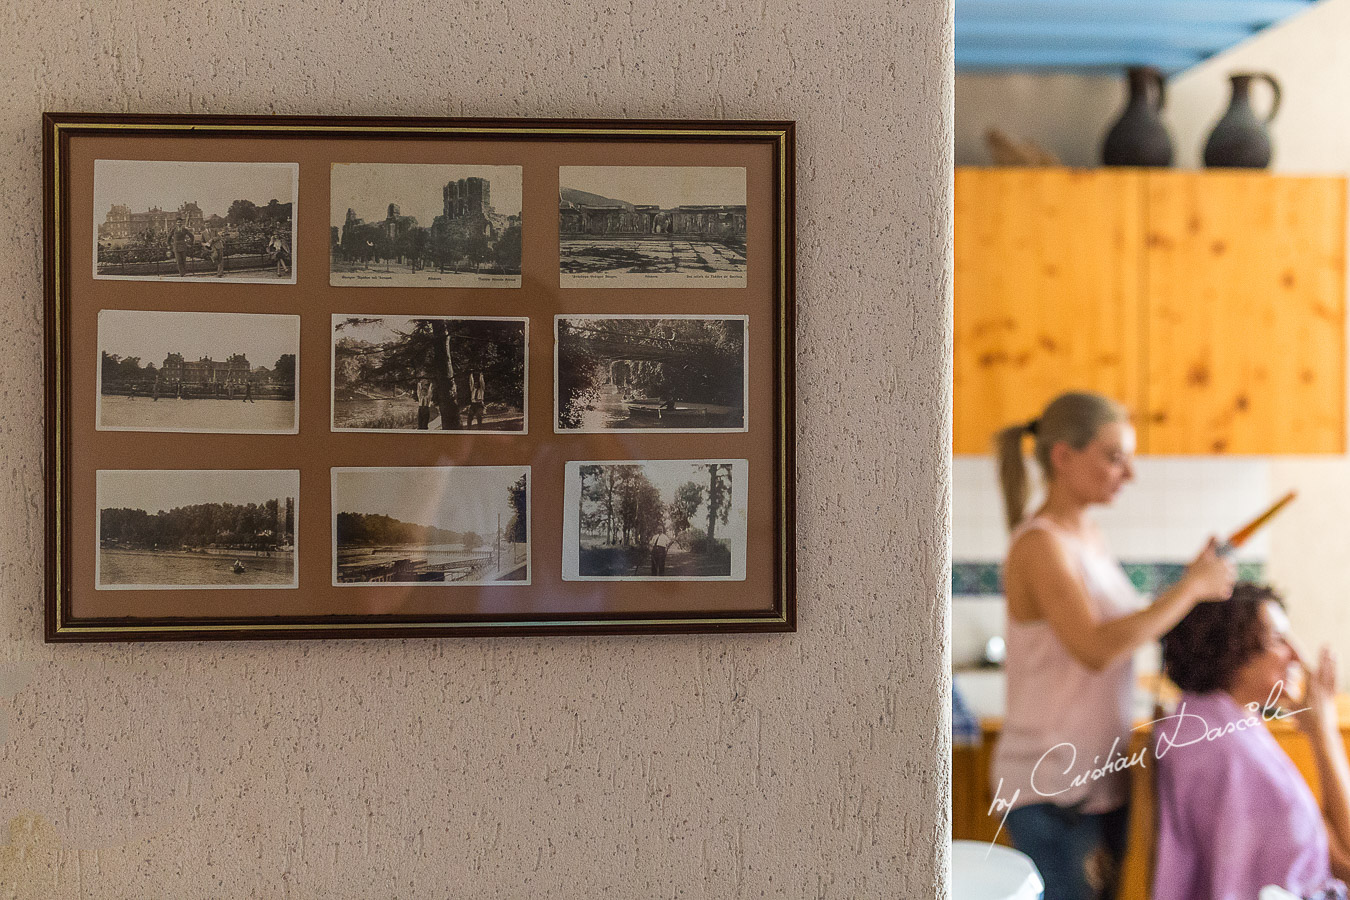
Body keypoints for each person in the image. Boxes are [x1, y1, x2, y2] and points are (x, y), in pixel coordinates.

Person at [992, 391, 1236, 900]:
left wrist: (1191, 584)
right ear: (1063, 456)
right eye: (1115, 455)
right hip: (1052, 790)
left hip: (1097, 783)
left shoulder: (1089, 537)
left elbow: (1124, 634)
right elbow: (1096, 649)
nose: (1129, 472)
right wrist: (1190, 588)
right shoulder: (1040, 544)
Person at [1154, 585, 1350, 900]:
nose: (1297, 655)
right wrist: (1323, 729)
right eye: (1278, 639)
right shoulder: (1226, 751)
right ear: (1230, 651)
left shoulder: (1217, 727)